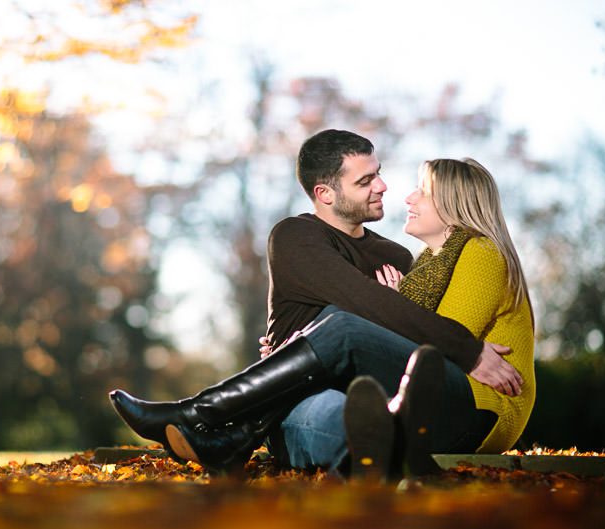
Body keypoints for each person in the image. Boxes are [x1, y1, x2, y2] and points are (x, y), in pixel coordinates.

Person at [109, 130, 529, 477]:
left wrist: (445, 340)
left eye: (378, 174)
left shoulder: (400, 258)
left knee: (346, 353)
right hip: (294, 399)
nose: (384, 187)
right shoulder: (296, 238)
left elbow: (390, 331)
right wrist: (462, 347)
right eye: (365, 181)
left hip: (374, 391)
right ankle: (363, 455)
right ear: (325, 193)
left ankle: (209, 423)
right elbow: (368, 308)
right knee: (333, 390)